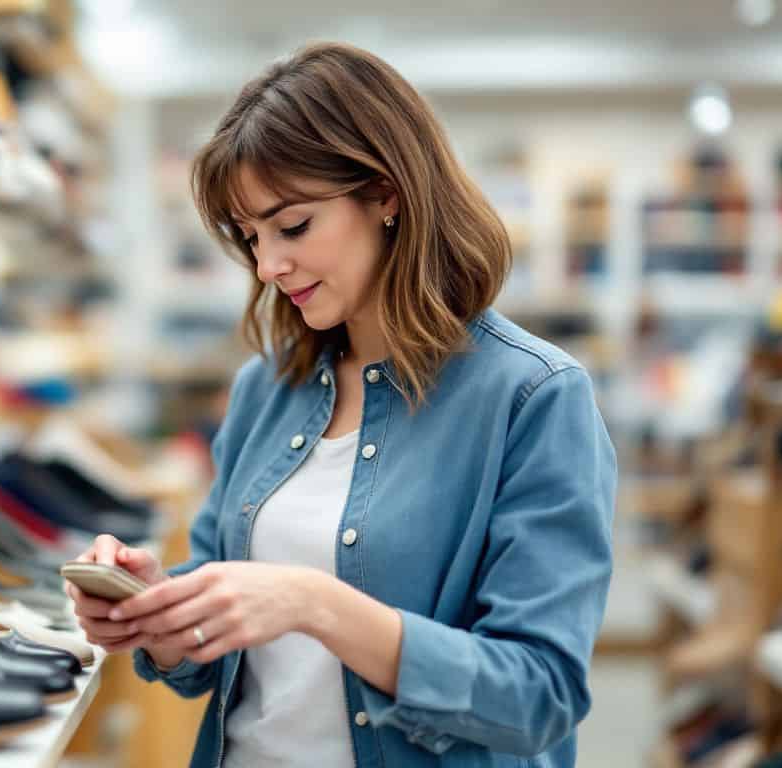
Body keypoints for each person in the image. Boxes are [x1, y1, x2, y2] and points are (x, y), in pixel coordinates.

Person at [66, 42, 616, 768]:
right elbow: (208, 660)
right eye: (251, 237)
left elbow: (538, 695)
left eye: (292, 227)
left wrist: (314, 603)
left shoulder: (534, 399)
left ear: (386, 193)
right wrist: (154, 615)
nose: (268, 266)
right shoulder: (264, 390)